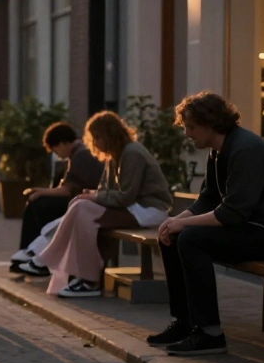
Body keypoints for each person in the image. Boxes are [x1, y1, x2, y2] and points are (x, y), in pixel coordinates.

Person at [151, 92, 264, 356]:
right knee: (172, 236)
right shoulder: (218, 152)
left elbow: (232, 213)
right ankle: (185, 322)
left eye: (191, 127)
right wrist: (175, 221)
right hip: (256, 228)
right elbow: (209, 198)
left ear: (210, 123)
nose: (187, 134)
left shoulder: (244, 150)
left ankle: (210, 333)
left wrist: (186, 226)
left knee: (191, 239)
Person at [32, 111, 173, 298]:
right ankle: (84, 277)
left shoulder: (132, 153)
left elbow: (126, 196)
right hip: (133, 207)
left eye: (98, 137)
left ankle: (83, 277)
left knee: (83, 210)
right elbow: (105, 190)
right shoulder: (113, 155)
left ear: (110, 134)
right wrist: (90, 195)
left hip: (149, 209)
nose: (95, 142)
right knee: (79, 206)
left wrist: (94, 197)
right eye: (94, 137)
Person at [11, 122, 105, 274]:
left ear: (62, 143)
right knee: (39, 204)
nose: (57, 154)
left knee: (38, 205)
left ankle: (32, 251)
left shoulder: (81, 155)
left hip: (83, 202)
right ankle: (32, 251)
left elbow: (68, 191)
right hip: (82, 200)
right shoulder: (78, 153)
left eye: (56, 150)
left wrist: (41, 192)